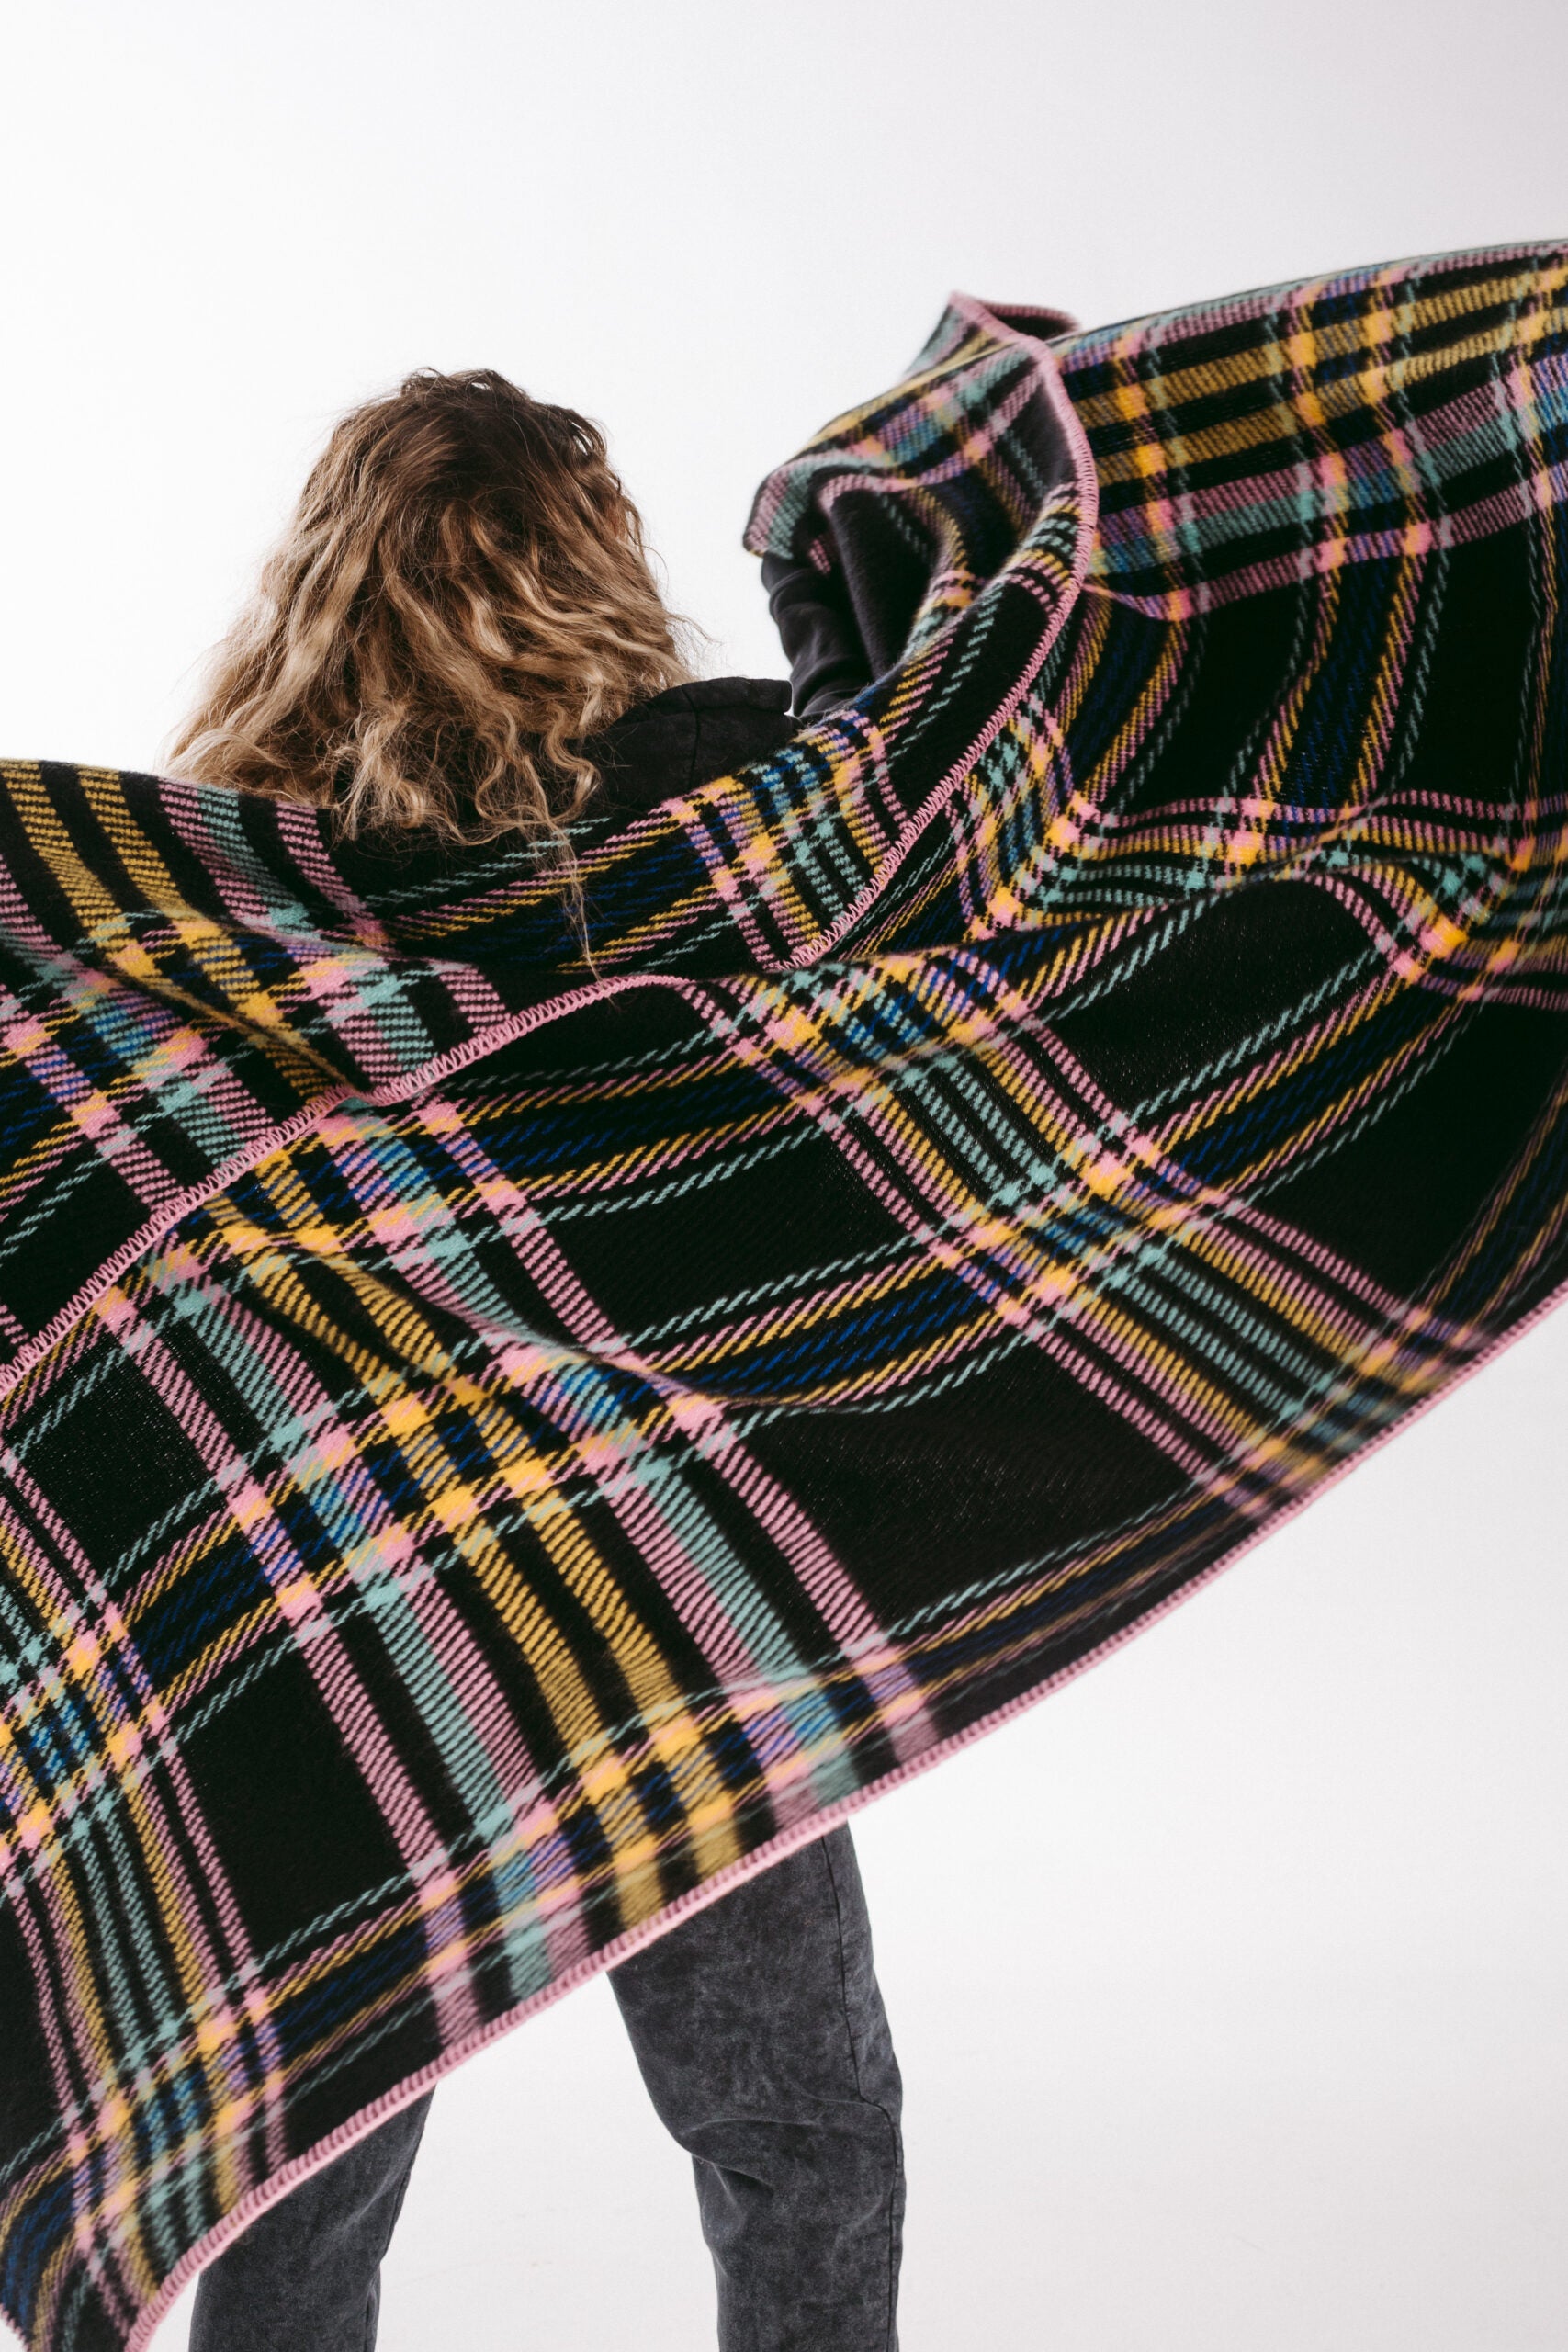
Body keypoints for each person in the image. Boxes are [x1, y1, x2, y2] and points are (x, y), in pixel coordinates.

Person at [167, 368, 901, 2352]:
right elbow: (933, 819)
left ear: (327, 581)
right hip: (680, 1575)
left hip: (362, 1591)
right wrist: (839, 559)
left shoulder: (233, 879)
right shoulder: (731, 812)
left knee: (306, 2156)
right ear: (585, 563)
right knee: (799, 2129)